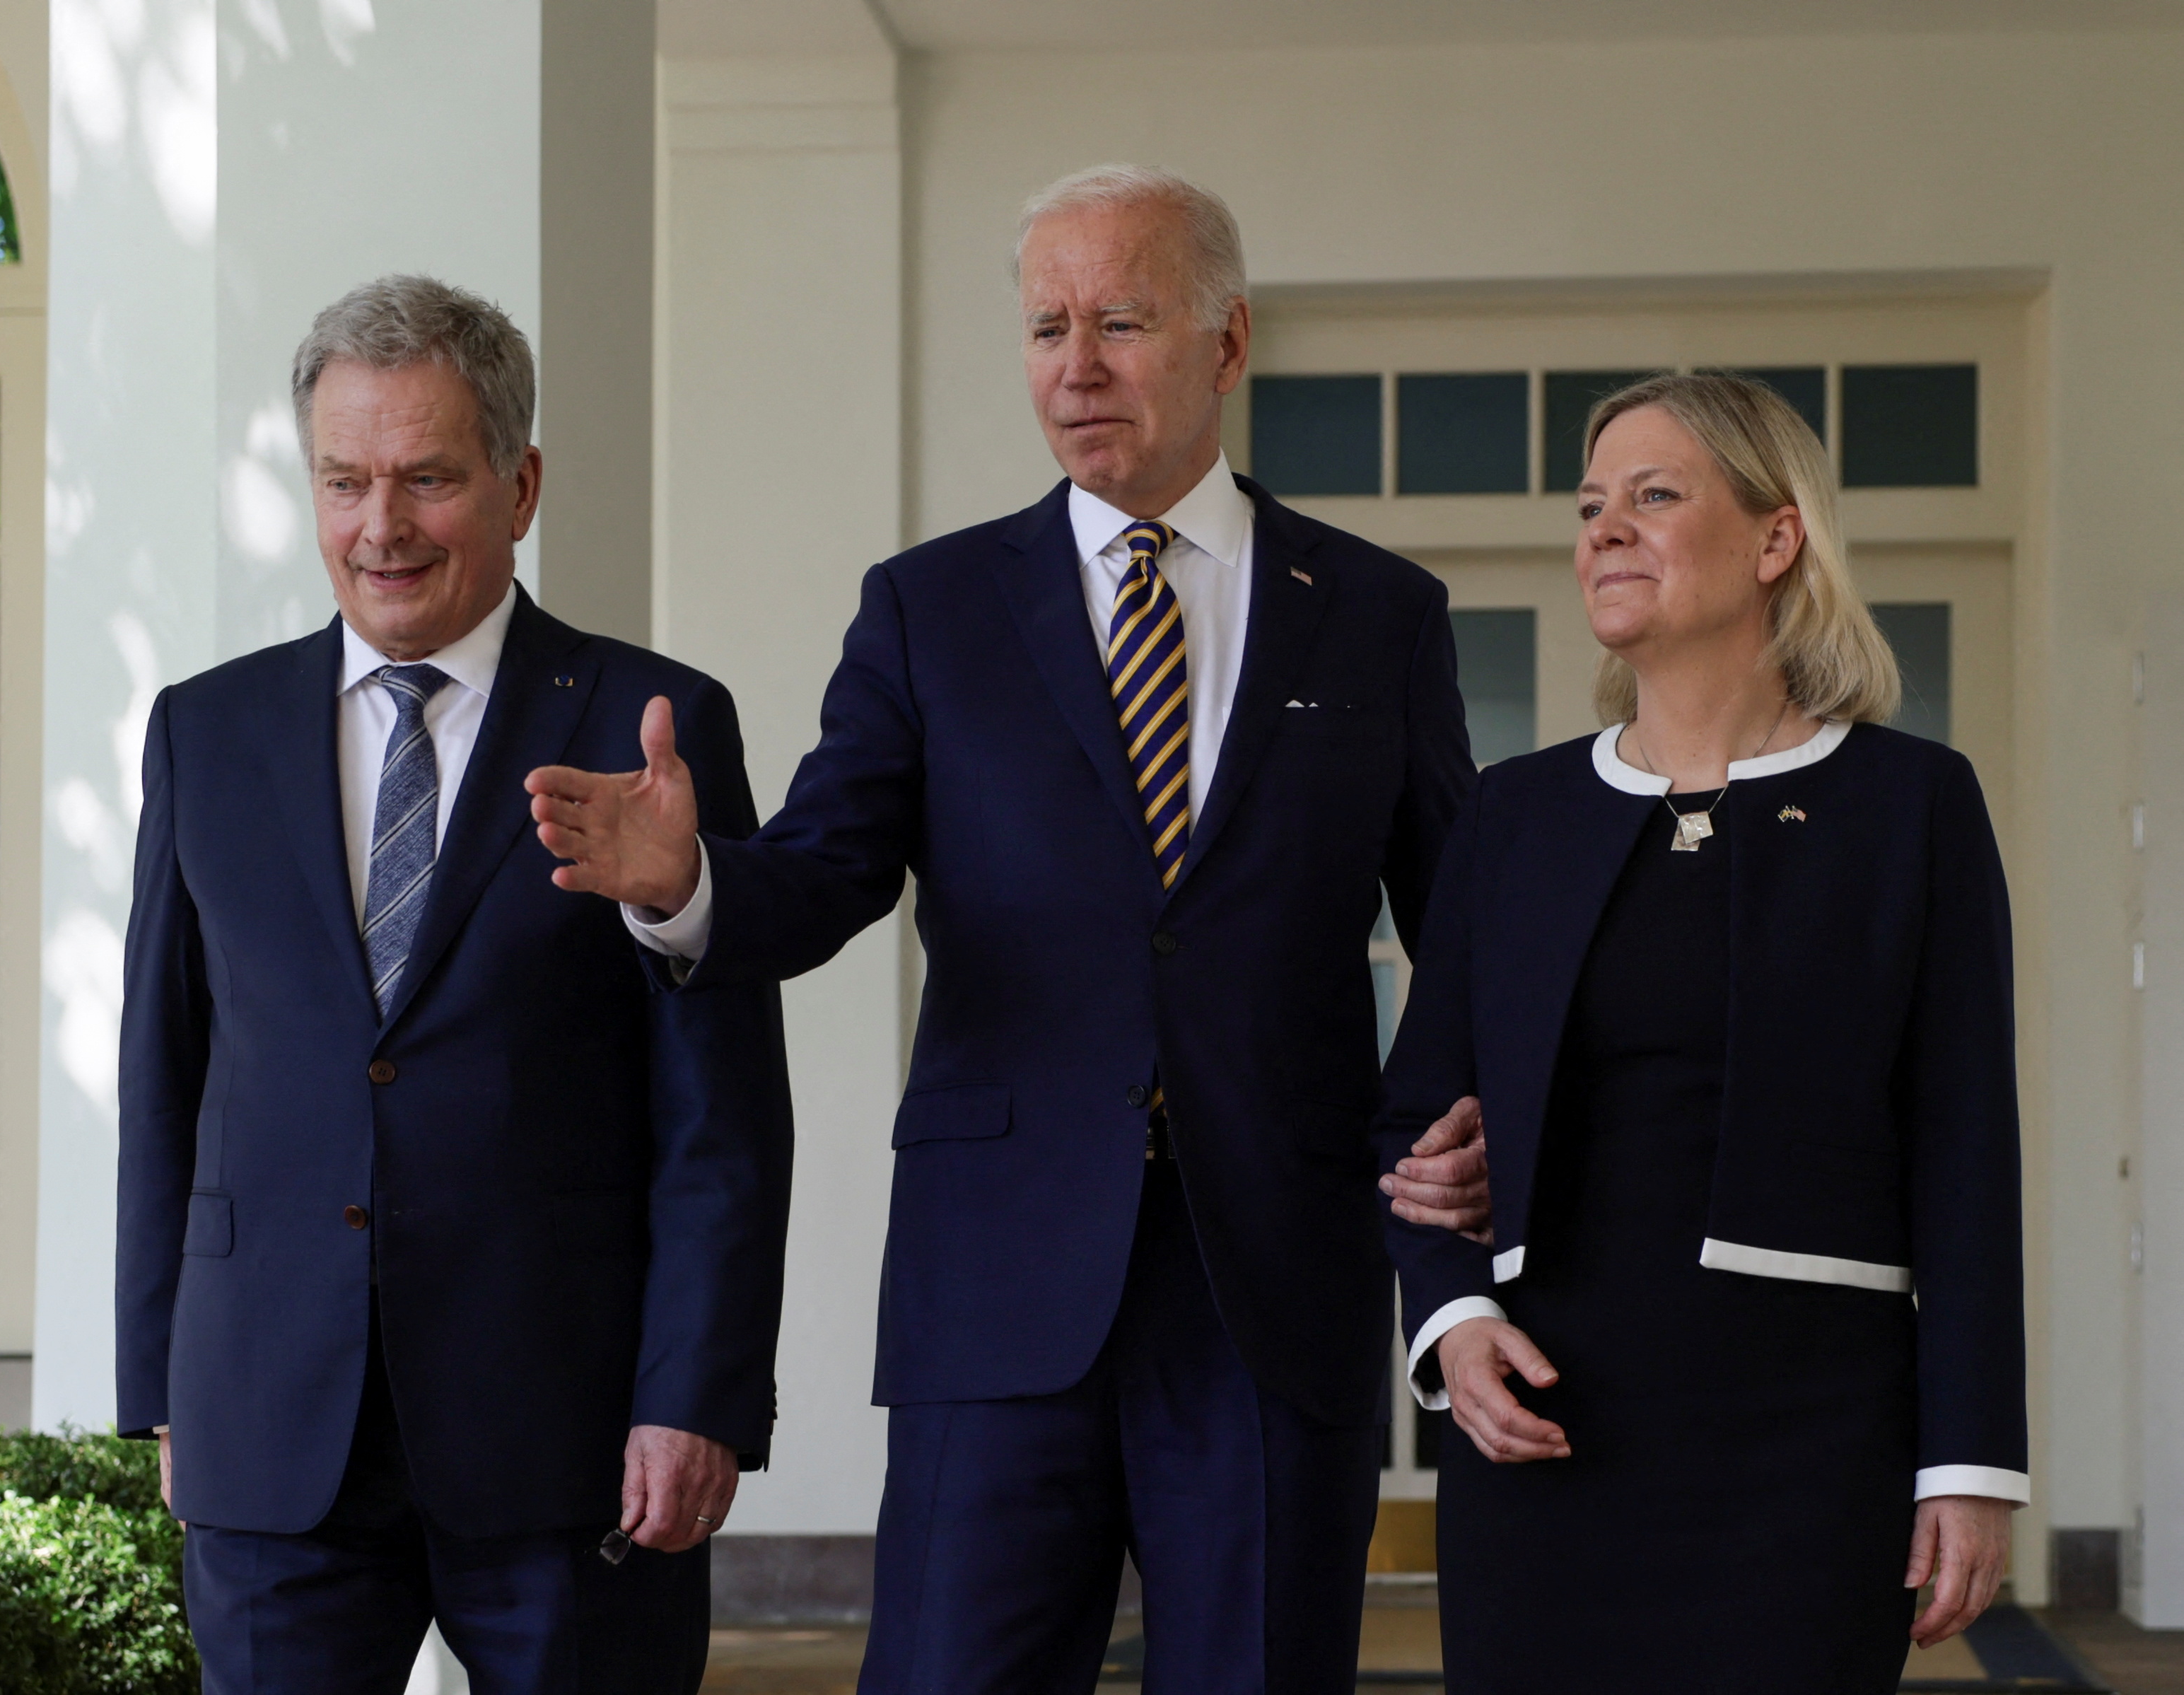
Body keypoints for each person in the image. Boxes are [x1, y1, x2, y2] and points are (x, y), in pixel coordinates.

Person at [527, 165, 1492, 1692]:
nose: (1076, 364)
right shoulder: (932, 608)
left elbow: (1466, 933)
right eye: (1046, 325)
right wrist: (684, 879)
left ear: (1227, 343)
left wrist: (1470, 1137)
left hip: (1273, 1275)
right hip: (998, 1278)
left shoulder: (1377, 612)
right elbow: (823, 873)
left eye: (1121, 319)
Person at [115, 275, 794, 1695]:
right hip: (272, 1423)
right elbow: (165, 1081)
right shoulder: (205, 733)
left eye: (427, 477)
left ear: (521, 482)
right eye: (345, 479)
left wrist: (697, 1392)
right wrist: (162, 1386)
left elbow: (719, 1106)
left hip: (572, 1434)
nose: (382, 526)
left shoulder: (648, 726)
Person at [1379, 371, 2026, 1691]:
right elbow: (1416, 1118)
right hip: (1545, 1417)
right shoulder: (1513, 817)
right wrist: (1448, 1320)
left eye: (1655, 495)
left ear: (1776, 539)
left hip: (1813, 1441)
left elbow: (1966, 1148)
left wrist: (1970, 1463)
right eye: (1590, 504)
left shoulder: (1914, 806)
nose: (1604, 528)